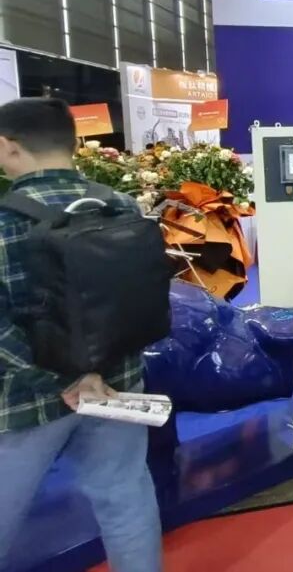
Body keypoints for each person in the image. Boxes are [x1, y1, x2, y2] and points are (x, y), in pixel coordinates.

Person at [0, 98, 162, 571]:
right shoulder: (121, 206)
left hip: (25, 401)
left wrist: (63, 379)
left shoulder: (5, 221)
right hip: (118, 384)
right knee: (125, 497)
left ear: (8, 147)